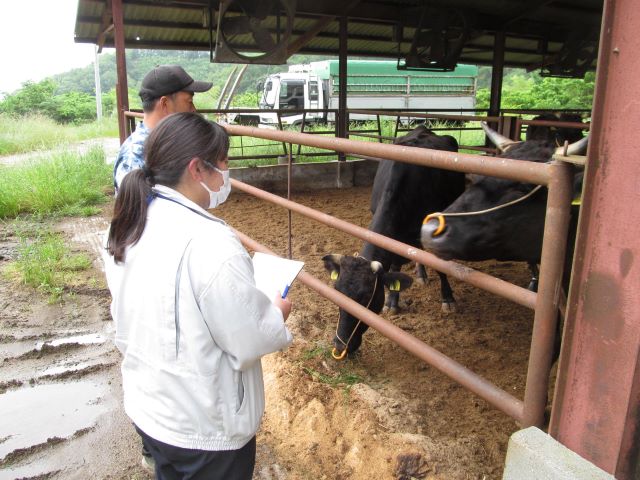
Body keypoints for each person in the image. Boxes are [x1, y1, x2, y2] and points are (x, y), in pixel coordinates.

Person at [103, 112, 293, 480]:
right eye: (223, 164)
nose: (226, 175)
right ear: (197, 169)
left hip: (150, 409)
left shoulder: (131, 220)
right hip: (204, 428)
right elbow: (248, 337)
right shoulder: (210, 241)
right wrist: (277, 311)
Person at [113, 65, 213, 192]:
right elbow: (136, 210)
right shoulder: (134, 158)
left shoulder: (166, 144)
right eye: (189, 101)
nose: (193, 109)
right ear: (165, 104)